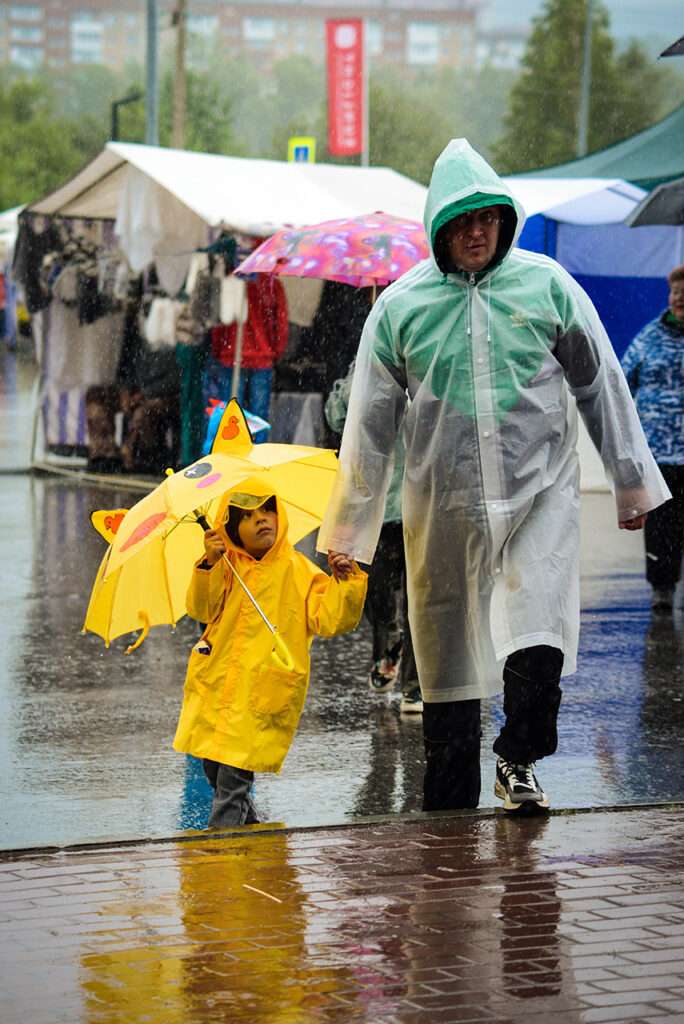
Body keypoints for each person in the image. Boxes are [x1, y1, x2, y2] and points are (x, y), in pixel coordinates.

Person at [319, 138, 670, 814]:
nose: (477, 233)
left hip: (539, 494)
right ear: (440, 228)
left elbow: (601, 383)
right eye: (462, 221)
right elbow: (367, 423)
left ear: (505, 220)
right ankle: (448, 822)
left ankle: (520, 755)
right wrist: (351, 530)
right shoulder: (400, 308)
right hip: (440, 505)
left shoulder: (546, 286)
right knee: (447, 660)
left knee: (538, 633)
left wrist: (632, 482)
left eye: (488, 218)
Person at [173, 489, 367, 827]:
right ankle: (251, 831)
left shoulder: (298, 571)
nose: (260, 518)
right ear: (231, 529)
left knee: (232, 781)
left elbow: (331, 618)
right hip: (217, 688)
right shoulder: (226, 566)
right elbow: (201, 609)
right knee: (214, 769)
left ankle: (223, 852)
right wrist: (210, 563)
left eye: (267, 510)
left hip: (260, 692)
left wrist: (345, 580)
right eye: (247, 516)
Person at [325, 358, 422, 713]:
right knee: (375, 588)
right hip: (377, 501)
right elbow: (336, 416)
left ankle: (414, 684)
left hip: (421, 501)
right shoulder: (368, 358)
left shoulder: (432, 356)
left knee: (419, 599)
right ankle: (387, 643)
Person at [621, 264, 684, 615]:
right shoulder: (649, 337)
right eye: (675, 293)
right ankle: (662, 589)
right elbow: (622, 383)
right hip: (658, 451)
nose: (679, 299)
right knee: (661, 525)